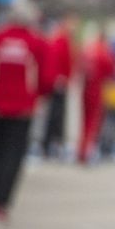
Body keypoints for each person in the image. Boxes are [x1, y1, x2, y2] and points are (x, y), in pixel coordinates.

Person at [0, 3, 53, 222]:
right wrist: (35, 96)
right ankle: (0, 204)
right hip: (23, 110)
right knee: (13, 156)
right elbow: (47, 79)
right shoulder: (37, 42)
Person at [77, 24, 115, 164]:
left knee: (85, 122)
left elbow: (79, 67)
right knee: (93, 123)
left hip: (86, 88)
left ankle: (81, 151)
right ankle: (87, 152)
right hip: (97, 90)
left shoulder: (87, 50)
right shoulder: (103, 52)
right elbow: (113, 71)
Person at [41, 12, 77, 158]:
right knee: (55, 115)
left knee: (59, 115)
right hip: (58, 83)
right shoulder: (60, 39)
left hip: (62, 81)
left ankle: (54, 143)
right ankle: (49, 144)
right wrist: (57, 77)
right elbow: (56, 60)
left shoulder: (65, 39)